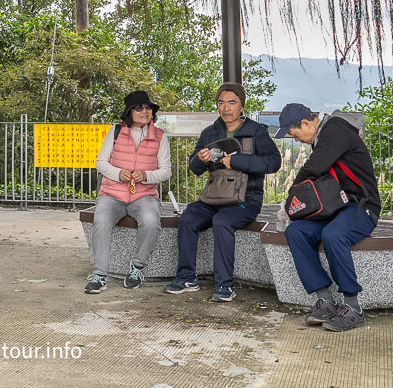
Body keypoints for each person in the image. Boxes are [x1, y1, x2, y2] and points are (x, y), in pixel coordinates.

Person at [165, 82, 280, 301]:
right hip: (214, 197)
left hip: (246, 199)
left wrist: (236, 160)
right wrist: (199, 159)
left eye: (232, 103)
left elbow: (273, 162)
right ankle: (187, 277)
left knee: (222, 221)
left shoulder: (256, 132)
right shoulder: (210, 132)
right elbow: (194, 167)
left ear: (242, 107)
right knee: (188, 217)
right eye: (221, 103)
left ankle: (224, 285)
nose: (226, 108)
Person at [275, 102, 382, 332]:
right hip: (335, 206)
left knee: (333, 235)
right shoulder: (323, 136)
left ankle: (353, 306)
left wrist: (290, 201)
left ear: (306, 122)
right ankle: (325, 299)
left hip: (361, 206)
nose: (297, 140)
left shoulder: (335, 129)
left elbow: (314, 168)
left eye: (295, 134)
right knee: (296, 231)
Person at [85, 90, 172, 293]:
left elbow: (166, 171)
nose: (145, 111)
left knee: (151, 222)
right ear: (129, 112)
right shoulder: (115, 131)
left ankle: (137, 267)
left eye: (148, 107)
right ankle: (99, 275)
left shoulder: (160, 136)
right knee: (101, 220)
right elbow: (100, 163)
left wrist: (147, 176)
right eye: (139, 108)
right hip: (112, 194)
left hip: (144, 195)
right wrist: (118, 173)